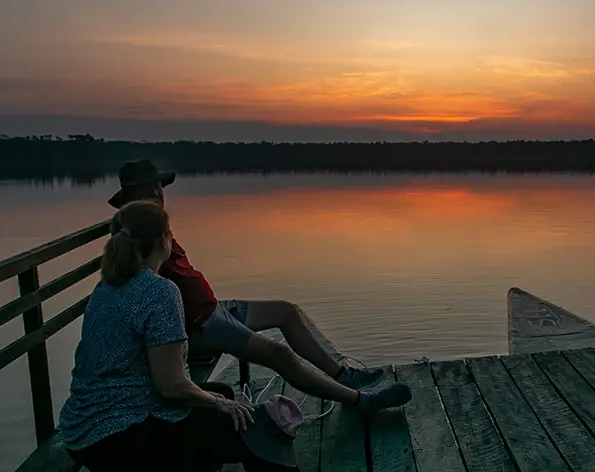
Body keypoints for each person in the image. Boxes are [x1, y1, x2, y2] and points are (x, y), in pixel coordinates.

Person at [59, 200, 366, 472]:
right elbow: (172, 386)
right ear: (165, 241)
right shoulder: (159, 292)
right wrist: (220, 406)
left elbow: (161, 381)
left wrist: (216, 400)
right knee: (248, 422)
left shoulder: (107, 288)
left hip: (83, 432)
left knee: (223, 394)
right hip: (113, 440)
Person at [106, 159, 410, 410]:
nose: (162, 192)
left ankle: (342, 375)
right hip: (201, 324)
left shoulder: (150, 225)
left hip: (213, 310)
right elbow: (150, 303)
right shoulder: (140, 237)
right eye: (157, 187)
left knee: (286, 312)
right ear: (149, 191)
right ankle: (360, 401)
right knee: (280, 356)